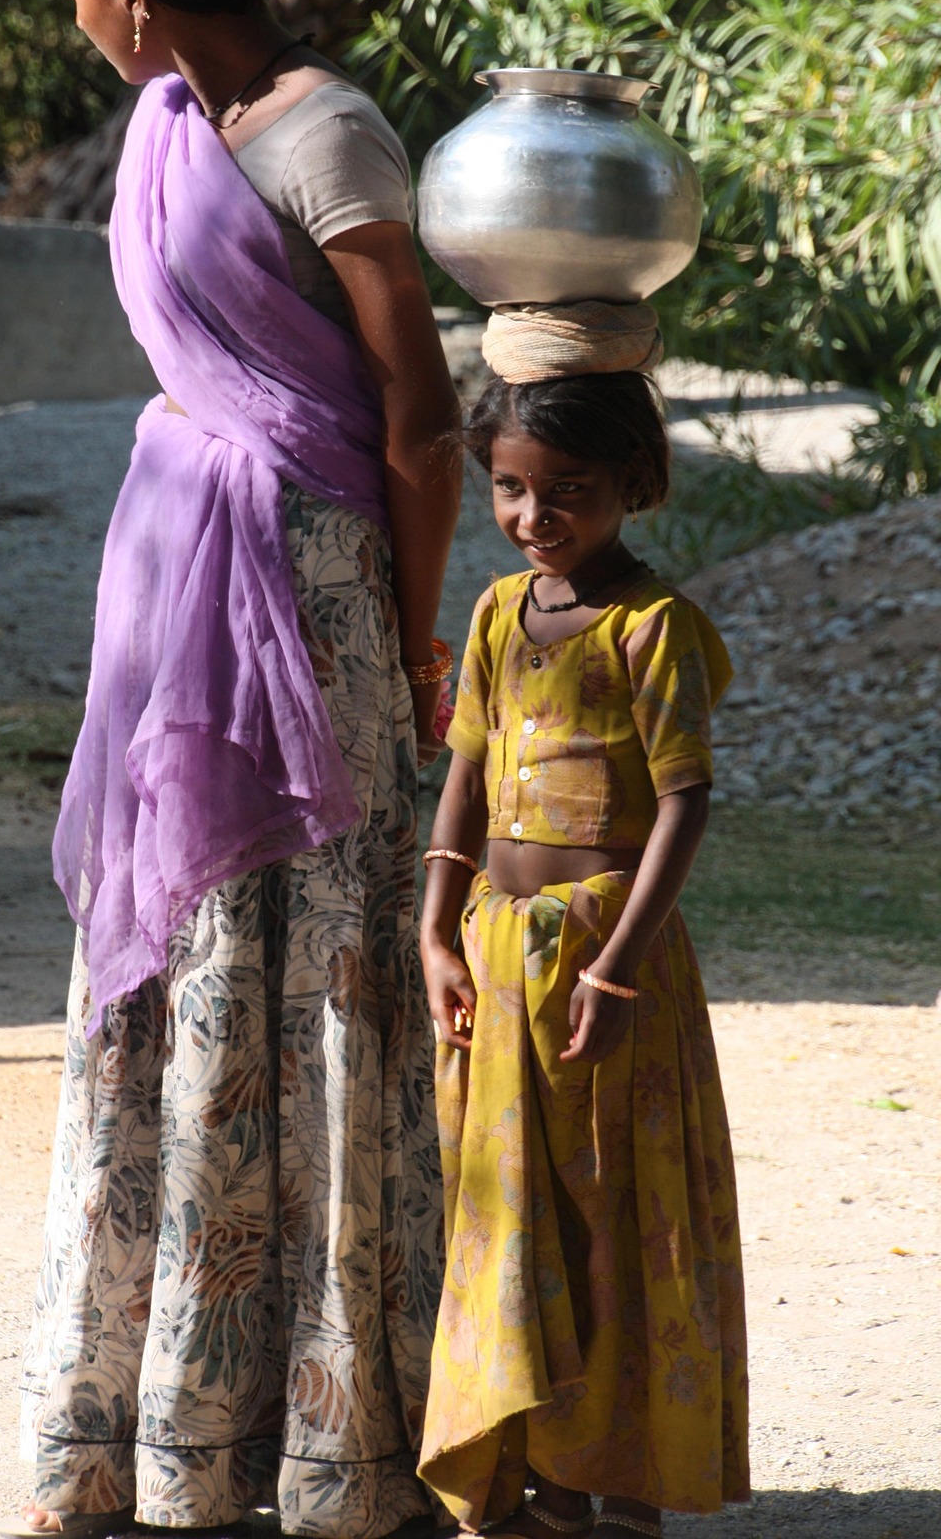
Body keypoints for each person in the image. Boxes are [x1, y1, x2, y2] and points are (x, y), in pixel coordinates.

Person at [6, 0, 461, 1539]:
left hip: (321, 605)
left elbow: (417, 419)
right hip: (187, 612)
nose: (74, 22)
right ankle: (144, 1438)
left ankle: (328, 1449)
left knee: (321, 981)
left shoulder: (322, 134)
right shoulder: (168, 129)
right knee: (182, 979)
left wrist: (415, 637)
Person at [417, 359, 749, 1539]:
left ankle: (622, 1485)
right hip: (494, 961)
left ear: (632, 483)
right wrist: (433, 929)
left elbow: (681, 804)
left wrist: (614, 969)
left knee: (610, 1211)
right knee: (510, 1215)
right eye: (509, 488)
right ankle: (541, 1474)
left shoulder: (652, 628)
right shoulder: (500, 611)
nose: (532, 515)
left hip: (606, 965)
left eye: (566, 489)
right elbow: (463, 774)